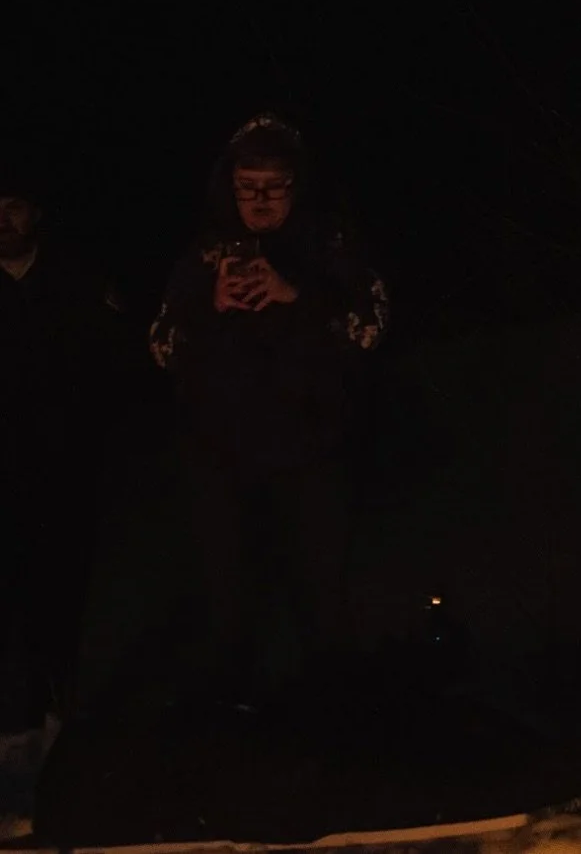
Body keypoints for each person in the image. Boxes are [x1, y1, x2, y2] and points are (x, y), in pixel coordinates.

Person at [149, 115, 388, 699]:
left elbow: (367, 332)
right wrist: (211, 307)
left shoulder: (333, 248)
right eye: (247, 185)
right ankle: (239, 728)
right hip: (221, 462)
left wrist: (295, 298)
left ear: (296, 185)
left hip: (311, 454)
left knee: (323, 601)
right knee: (230, 605)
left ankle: (336, 721)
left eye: (273, 186)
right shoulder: (204, 258)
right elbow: (161, 345)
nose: (259, 200)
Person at [1, 154, 137, 738]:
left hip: (64, 471)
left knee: (64, 590)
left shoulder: (76, 284)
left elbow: (113, 370)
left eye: (13, 209)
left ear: (35, 215)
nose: (3, 221)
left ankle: (64, 710)